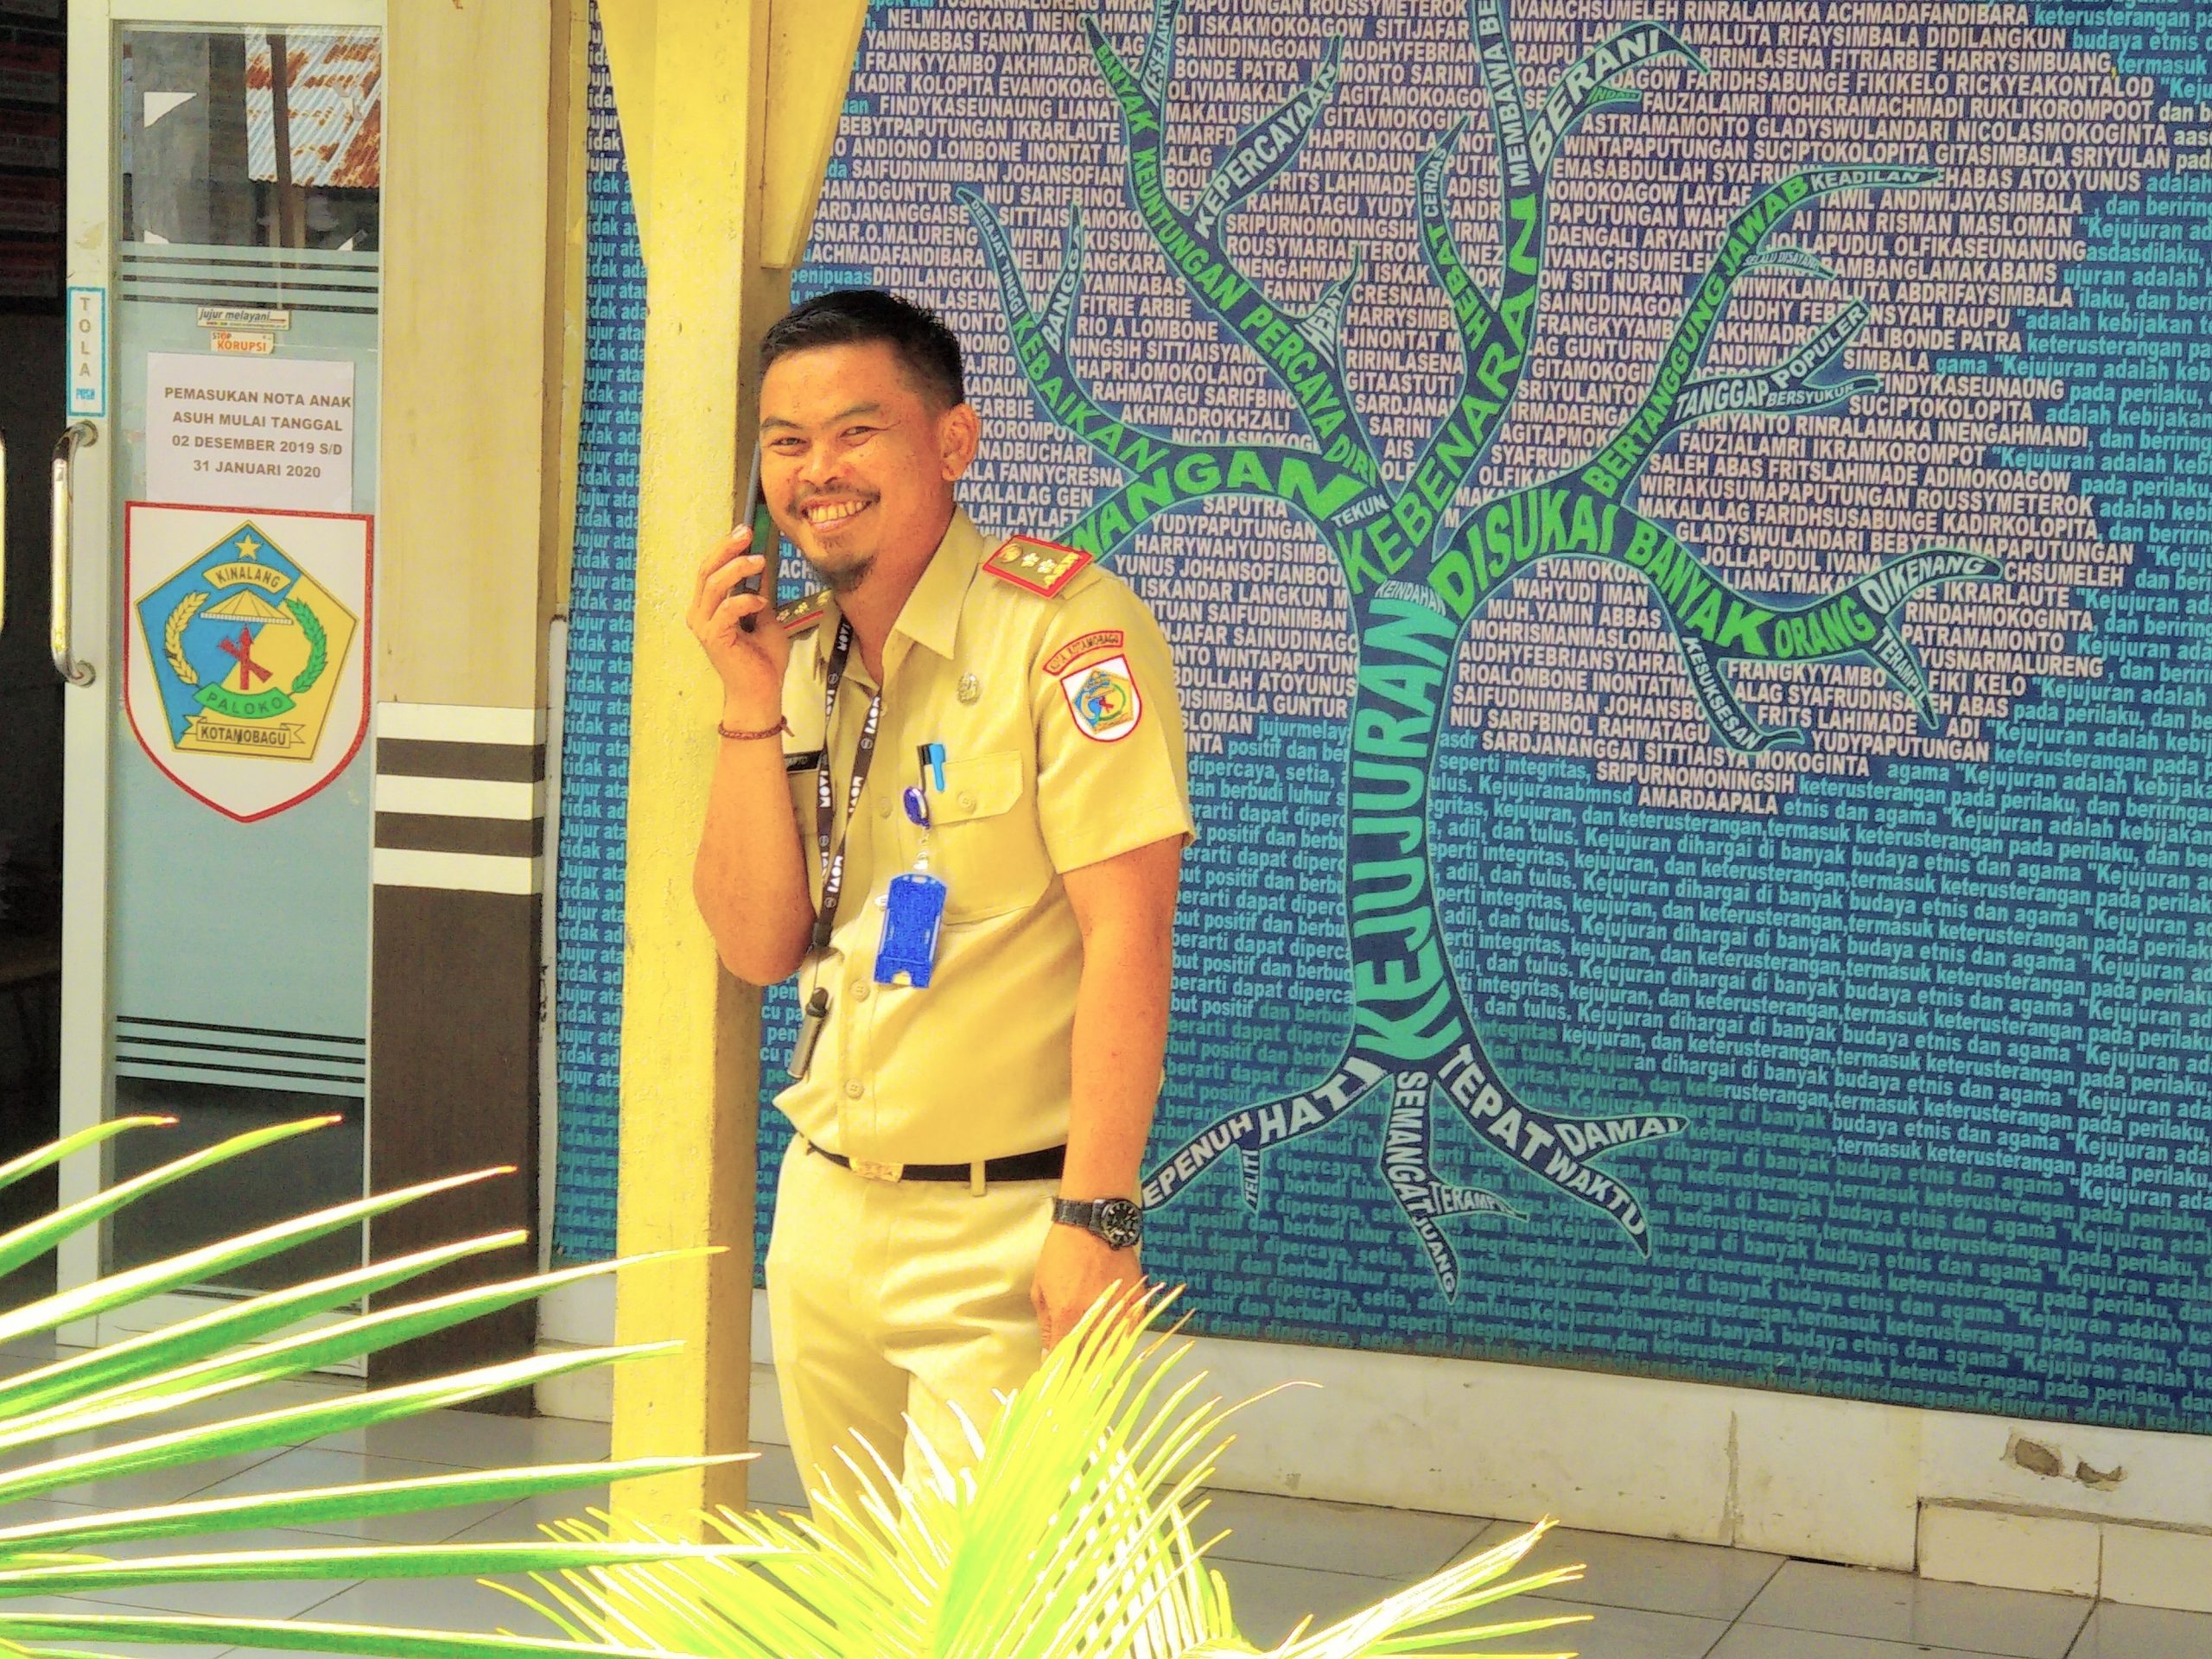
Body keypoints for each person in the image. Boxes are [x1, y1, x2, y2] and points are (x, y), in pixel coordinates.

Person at [686, 289, 1192, 1508]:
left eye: (858, 433)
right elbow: (758, 945)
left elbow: (1131, 938)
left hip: (1005, 1226)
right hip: (828, 1210)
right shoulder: (797, 655)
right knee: (863, 1609)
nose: (818, 473)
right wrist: (747, 703)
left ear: (951, 444)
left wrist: (1100, 1218)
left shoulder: (1065, 633)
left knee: (989, 1617)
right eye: (786, 442)